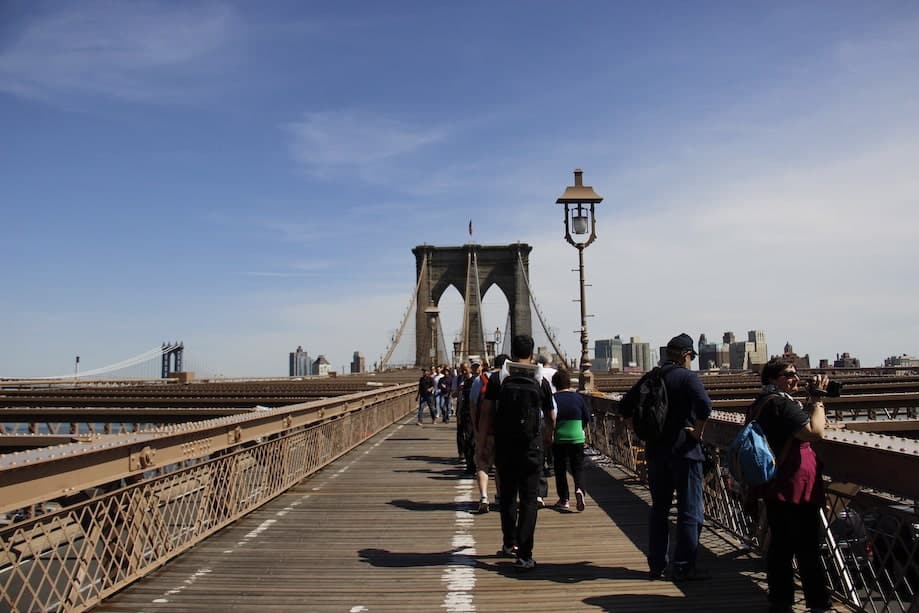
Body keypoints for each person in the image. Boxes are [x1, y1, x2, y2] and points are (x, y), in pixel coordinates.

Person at [620, 333, 712, 581]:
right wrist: (698, 432)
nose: (691, 360)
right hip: (685, 451)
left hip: (657, 453)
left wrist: (640, 433)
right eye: (691, 356)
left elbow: (624, 408)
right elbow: (705, 407)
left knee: (659, 509)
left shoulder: (651, 377)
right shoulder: (688, 377)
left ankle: (657, 565)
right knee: (689, 510)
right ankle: (683, 566)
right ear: (684, 355)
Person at [752, 358, 833, 613]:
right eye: (788, 375)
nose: (795, 379)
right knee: (807, 547)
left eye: (796, 374)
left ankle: (780, 599)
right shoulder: (782, 405)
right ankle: (818, 603)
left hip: (774, 482)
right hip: (795, 485)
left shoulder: (760, 403)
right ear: (773, 379)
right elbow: (815, 432)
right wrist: (818, 400)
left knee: (781, 545)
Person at [481, 334, 556, 571]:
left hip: (505, 446)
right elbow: (551, 416)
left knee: (507, 495)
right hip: (532, 447)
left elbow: (486, 414)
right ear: (532, 354)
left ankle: (509, 542)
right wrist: (548, 437)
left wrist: (482, 444)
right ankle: (525, 555)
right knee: (529, 499)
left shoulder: (498, 379)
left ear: (512, 353)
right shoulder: (540, 380)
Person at [471, 355, 508, 514]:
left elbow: (473, 406)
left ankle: (484, 496)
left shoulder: (480, 380)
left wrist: (476, 429)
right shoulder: (509, 379)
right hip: (504, 432)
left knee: (482, 463)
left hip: (485, 430)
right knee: (501, 466)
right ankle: (500, 496)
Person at [551, 368, 591, 512]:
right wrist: (580, 429)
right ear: (569, 383)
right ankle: (580, 490)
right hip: (577, 437)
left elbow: (550, 418)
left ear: (555, 384)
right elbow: (587, 417)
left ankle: (564, 499)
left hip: (559, 438)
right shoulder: (578, 398)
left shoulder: (553, 398)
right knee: (578, 467)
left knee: (560, 469)